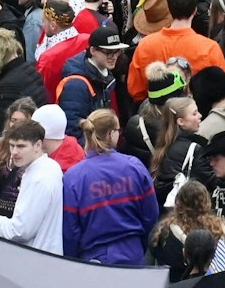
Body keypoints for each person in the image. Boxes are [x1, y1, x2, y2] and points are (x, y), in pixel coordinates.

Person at [62, 109, 161, 265]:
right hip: (133, 253)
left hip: (92, 260)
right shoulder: (134, 166)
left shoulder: (73, 177)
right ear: (110, 134)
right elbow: (151, 214)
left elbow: (71, 231)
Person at [0, 117, 62, 253]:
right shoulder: (49, 167)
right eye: (12, 145)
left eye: (21, 146)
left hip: (36, 258)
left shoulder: (38, 178)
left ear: (38, 145)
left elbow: (20, 231)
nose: (14, 152)